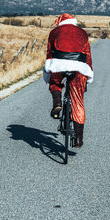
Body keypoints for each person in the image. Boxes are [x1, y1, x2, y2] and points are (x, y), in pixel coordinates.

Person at [43, 13, 94, 148]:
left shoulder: (54, 32)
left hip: (59, 63)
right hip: (79, 66)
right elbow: (87, 55)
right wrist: (89, 74)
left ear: (60, 22)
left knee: (55, 82)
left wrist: (49, 71)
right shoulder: (82, 33)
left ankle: (57, 102)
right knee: (78, 102)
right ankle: (78, 139)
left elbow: (50, 52)